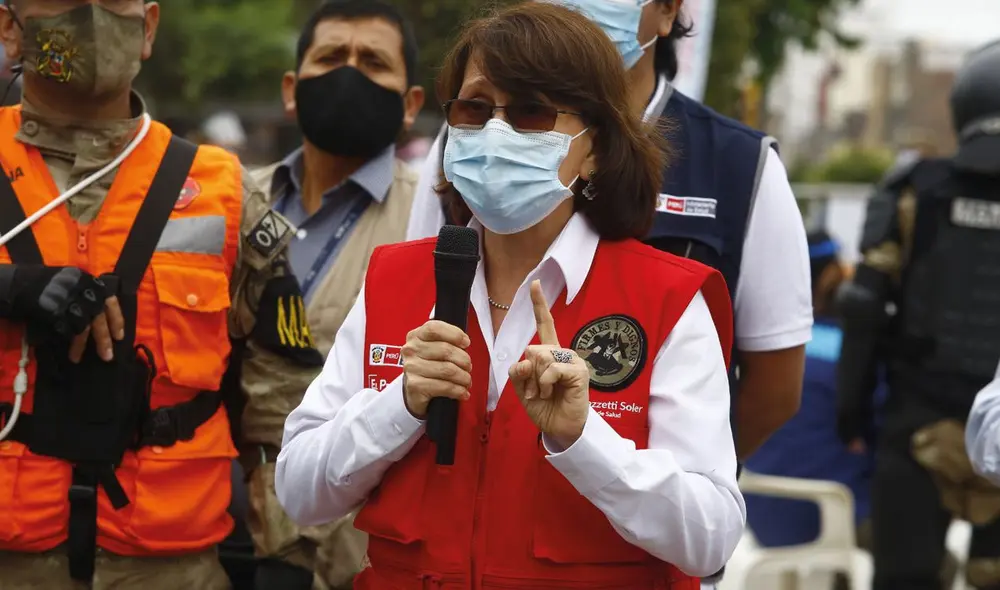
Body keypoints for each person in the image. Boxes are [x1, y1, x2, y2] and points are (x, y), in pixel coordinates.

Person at [276, 2, 744, 588]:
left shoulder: (667, 298)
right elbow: (298, 492)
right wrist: (399, 405)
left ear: (595, 146)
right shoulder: (396, 278)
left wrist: (583, 438)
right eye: (474, 109)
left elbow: (711, 537)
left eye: (531, 112)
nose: (496, 133)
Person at [0, 1, 322, 588]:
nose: (91, 12)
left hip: (173, 567)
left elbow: (283, 401)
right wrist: (10, 287)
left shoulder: (224, 193)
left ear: (148, 26)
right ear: (9, 27)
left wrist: (287, 556)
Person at [406, 0, 810, 468]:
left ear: (667, 11)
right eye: (475, 109)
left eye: (533, 113)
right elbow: (414, 299)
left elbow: (774, 389)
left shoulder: (741, 164)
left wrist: (656, 468)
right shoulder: (467, 141)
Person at [247, 1, 425, 588]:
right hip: (221, 533)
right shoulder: (234, 199)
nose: (349, 72)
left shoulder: (435, 219)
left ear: (411, 104)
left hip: (355, 551)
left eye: (373, 62)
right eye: (330, 57)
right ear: (291, 89)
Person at [837, 38, 1000, 590]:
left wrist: (851, 411)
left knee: (903, 578)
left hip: (917, 424)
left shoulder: (912, 190)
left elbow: (863, 309)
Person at [744, 231, 882, 589]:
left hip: (759, 511)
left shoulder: (755, 346)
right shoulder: (855, 355)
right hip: (834, 516)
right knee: (926, 558)